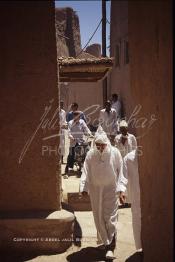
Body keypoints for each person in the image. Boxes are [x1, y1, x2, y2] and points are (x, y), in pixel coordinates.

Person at [80, 126, 127, 259]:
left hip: (111, 190)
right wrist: (84, 188)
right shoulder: (90, 154)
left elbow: (121, 172)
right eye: (98, 145)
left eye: (102, 145)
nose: (100, 148)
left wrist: (121, 189)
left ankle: (110, 247)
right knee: (98, 217)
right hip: (95, 190)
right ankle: (105, 242)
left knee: (110, 218)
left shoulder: (115, 152)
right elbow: (86, 170)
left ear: (107, 144)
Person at [123, 149, 142, 251]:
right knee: (137, 219)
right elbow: (123, 177)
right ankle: (139, 247)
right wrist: (122, 191)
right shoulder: (128, 158)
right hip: (136, 196)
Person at [64, 111, 92, 179]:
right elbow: (69, 132)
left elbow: (86, 129)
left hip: (81, 141)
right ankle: (67, 169)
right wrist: (71, 137)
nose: (76, 118)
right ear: (74, 116)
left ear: (79, 117)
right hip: (73, 141)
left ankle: (82, 168)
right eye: (75, 116)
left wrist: (89, 133)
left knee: (84, 154)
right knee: (71, 155)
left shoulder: (82, 122)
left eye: (78, 116)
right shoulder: (70, 123)